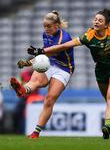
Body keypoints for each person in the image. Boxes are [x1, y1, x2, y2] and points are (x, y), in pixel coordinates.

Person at [27, 5, 110, 139]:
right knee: (108, 98)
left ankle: (108, 126)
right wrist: (41, 51)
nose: (96, 22)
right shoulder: (88, 36)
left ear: (106, 24)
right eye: (95, 19)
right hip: (101, 69)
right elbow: (64, 46)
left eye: (100, 20)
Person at [10, 10, 75, 139]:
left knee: (49, 100)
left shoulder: (64, 37)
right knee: (37, 82)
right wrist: (28, 63)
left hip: (64, 69)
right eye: (44, 26)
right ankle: (23, 89)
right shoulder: (46, 34)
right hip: (50, 63)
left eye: (49, 26)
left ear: (56, 26)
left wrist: (33, 58)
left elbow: (52, 51)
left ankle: (36, 132)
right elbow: (44, 54)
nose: (46, 29)